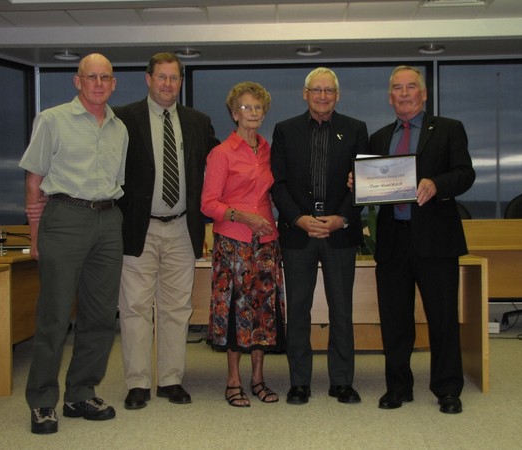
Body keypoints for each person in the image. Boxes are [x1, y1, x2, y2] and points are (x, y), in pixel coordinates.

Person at [349, 65, 475, 414]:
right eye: (397, 88)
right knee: (395, 319)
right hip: (392, 241)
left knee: (443, 317)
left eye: (410, 87)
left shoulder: (449, 129)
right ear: (390, 96)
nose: (404, 93)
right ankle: (398, 387)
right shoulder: (379, 137)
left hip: (436, 240)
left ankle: (447, 389)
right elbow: (372, 187)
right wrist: (357, 184)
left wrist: (437, 184)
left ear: (423, 94)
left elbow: (465, 174)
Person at [19, 53, 128, 434]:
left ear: (113, 84)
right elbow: (34, 181)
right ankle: (43, 401)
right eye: (91, 77)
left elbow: (119, 180)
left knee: (100, 315)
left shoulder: (120, 129)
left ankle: (80, 392)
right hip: (64, 218)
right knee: (54, 315)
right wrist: (36, 236)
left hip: (109, 219)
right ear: (77, 81)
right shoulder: (52, 120)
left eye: (105, 78)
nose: (98, 84)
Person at [113, 52, 220, 409]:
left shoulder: (197, 121)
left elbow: (221, 166)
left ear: (180, 82)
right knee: (135, 307)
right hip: (138, 228)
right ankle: (138, 384)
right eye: (161, 77)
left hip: (181, 228)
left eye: (174, 78)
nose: (168, 84)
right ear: (148, 79)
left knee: (177, 308)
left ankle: (171, 380)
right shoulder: (124, 118)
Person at [271, 67, 368, 405]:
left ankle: (342, 381)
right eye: (316, 90)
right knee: (298, 309)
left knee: (342, 309)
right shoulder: (285, 131)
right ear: (305, 93)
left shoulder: (356, 130)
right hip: (299, 233)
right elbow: (278, 185)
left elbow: (363, 183)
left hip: (339, 232)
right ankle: (299, 382)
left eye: (329, 90)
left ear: (337, 95)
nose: (323, 96)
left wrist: (341, 218)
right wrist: (299, 219)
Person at [201, 82, 286, 407]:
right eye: (246, 108)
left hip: (266, 244)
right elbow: (207, 204)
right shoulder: (221, 154)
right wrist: (243, 217)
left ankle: (258, 379)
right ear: (235, 113)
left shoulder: (268, 150)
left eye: (258, 108)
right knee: (236, 313)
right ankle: (233, 380)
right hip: (233, 244)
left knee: (263, 314)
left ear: (264, 113)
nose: (252, 113)